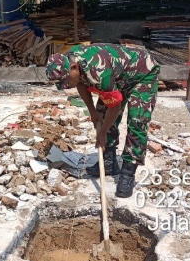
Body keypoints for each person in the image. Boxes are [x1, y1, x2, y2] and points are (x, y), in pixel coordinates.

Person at [45, 43, 159, 198]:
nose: (67, 85)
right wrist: (92, 111)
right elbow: (80, 83)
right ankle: (108, 162)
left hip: (143, 73)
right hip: (120, 76)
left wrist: (103, 132)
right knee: (102, 114)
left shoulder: (98, 71)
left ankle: (128, 172)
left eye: (66, 80)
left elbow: (115, 106)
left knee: (137, 120)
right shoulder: (73, 61)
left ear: (73, 67)